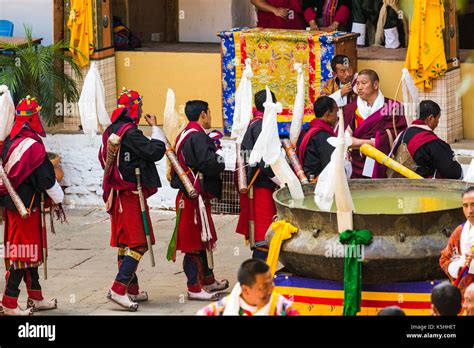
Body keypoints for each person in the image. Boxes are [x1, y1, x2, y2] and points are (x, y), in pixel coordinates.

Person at [99, 88, 166, 311]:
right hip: (129, 195)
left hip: (117, 194)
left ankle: (132, 289)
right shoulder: (131, 133)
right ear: (135, 109)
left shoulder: (111, 129)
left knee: (125, 243)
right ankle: (118, 290)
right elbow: (154, 152)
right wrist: (156, 129)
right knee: (138, 242)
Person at [0, 96, 65, 316]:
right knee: (21, 254)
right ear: (32, 119)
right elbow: (45, 178)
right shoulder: (32, 147)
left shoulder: (11, 141)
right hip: (24, 209)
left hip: (18, 207)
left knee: (30, 253)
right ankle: (9, 303)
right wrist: (58, 197)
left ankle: (35, 297)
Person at [170, 100, 229, 301]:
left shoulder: (185, 133)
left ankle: (208, 280)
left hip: (192, 196)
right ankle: (194, 287)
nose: (210, 117)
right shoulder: (197, 137)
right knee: (194, 242)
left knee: (202, 239)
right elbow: (209, 164)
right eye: (209, 113)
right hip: (193, 198)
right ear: (203, 114)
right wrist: (219, 154)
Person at [236, 90, 280, 261]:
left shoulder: (256, 123)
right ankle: (258, 277)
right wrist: (279, 180)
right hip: (262, 184)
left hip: (259, 182)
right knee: (264, 234)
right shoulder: (261, 125)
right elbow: (264, 159)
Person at [343, 69, 407, 178]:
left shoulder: (393, 107)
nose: (359, 87)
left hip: (382, 162)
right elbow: (344, 138)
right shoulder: (352, 108)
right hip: (356, 163)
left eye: (363, 83)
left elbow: (400, 135)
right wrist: (371, 143)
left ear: (375, 85)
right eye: (357, 84)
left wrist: (378, 142)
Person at [196, 259, 299, 316]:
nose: (271, 289)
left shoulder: (282, 308)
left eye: (271, 283)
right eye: (264, 286)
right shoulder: (221, 309)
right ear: (245, 290)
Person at [391, 100, 463, 179]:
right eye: (438, 118)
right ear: (431, 118)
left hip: (398, 184)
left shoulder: (403, 135)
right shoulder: (432, 143)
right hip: (422, 188)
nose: (437, 122)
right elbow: (454, 172)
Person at [440, 187, 474, 296]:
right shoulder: (460, 231)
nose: (470, 210)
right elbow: (444, 259)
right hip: (464, 297)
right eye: (465, 206)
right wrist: (458, 266)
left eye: (473, 204)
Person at [297, 96, 337, 179]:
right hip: (317, 182)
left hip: (306, 178)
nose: (337, 117)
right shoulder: (323, 136)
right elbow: (330, 167)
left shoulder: (306, 131)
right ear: (328, 113)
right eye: (336, 112)